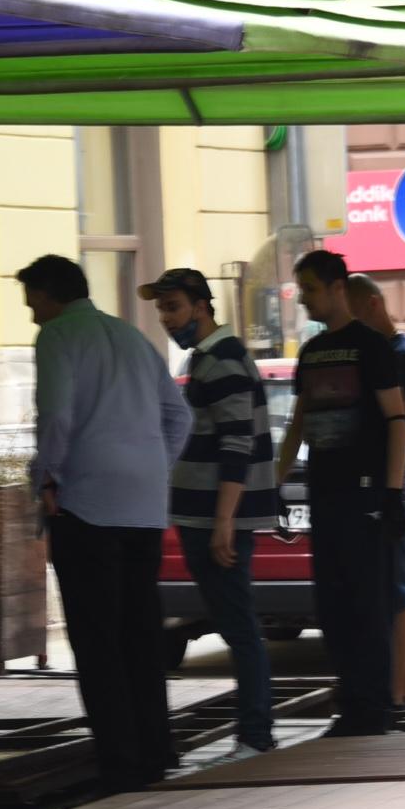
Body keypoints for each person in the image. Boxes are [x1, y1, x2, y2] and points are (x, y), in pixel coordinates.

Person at [22, 254, 192, 792]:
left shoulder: (57, 337)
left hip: (87, 505)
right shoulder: (131, 337)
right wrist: (152, 464)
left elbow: (57, 415)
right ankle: (157, 750)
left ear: (51, 298)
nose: (31, 316)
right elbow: (179, 415)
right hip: (143, 507)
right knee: (140, 633)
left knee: (97, 641)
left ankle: (120, 763)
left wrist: (45, 478)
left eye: (33, 304)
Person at [144, 267, 279, 758]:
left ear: (201, 306)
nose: (166, 318)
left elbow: (236, 445)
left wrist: (224, 520)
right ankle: (255, 732)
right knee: (235, 623)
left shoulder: (221, 360)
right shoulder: (208, 358)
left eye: (174, 307)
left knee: (239, 627)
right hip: (204, 517)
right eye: (161, 308)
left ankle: (256, 735)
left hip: (217, 521)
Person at [275, 250, 405, 737]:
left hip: (367, 496)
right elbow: (298, 423)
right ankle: (352, 703)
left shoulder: (371, 347)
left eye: (311, 288)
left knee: (366, 604)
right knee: (332, 605)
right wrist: (276, 482)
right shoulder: (310, 354)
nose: (305, 298)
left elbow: (398, 422)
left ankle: (374, 708)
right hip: (325, 496)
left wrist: (393, 492)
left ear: (337, 288)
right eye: (302, 290)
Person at [345, 273, 405, 702]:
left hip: (394, 484)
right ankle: (398, 691)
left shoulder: (403, 355)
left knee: (397, 589)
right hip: (380, 482)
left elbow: (404, 425)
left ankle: (402, 694)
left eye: (355, 312)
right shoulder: (380, 352)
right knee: (390, 589)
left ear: (373, 305)